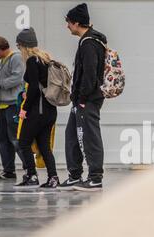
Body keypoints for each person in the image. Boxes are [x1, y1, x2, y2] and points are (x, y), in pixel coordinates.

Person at [59, 3, 107, 192]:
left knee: (89, 137)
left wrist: (82, 97)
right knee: (72, 135)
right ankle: (75, 175)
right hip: (80, 99)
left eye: (68, 23)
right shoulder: (87, 41)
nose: (67, 26)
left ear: (77, 23)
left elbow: (89, 74)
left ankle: (95, 178)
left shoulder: (89, 44)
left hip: (88, 99)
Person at [14, 27, 59, 189]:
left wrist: (24, 107)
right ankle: (53, 177)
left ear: (25, 46)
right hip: (50, 111)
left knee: (23, 142)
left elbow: (33, 87)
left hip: (37, 111)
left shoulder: (32, 60)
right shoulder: (46, 59)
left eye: (19, 47)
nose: (19, 50)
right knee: (44, 146)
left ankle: (32, 175)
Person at [0, 36, 25, 180]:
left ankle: (29, 169)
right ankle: (9, 171)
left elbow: (18, 78)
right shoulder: (4, 60)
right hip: (4, 105)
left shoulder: (15, 57)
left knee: (15, 138)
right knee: (2, 138)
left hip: (14, 104)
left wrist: (0, 84)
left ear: (0, 48)